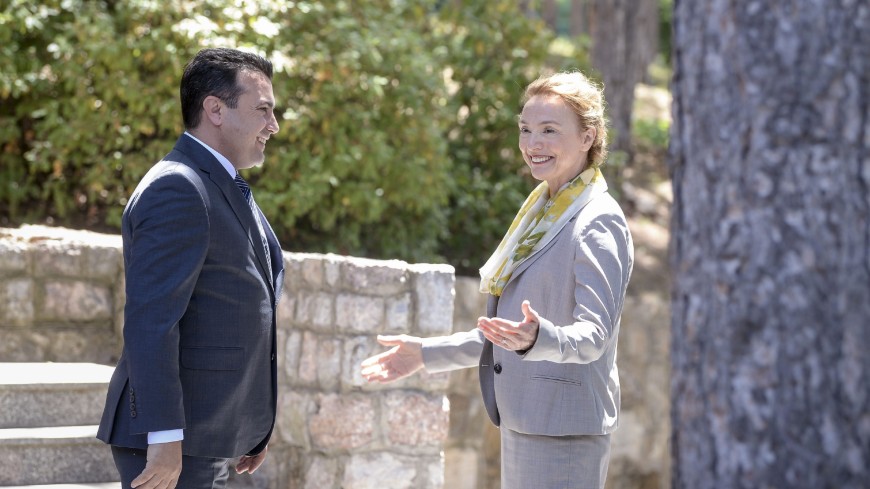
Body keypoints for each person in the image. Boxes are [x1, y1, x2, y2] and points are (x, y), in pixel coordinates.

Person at [361, 71, 633, 489]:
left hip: (564, 432)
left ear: (587, 137)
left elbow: (594, 335)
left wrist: (536, 337)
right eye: (525, 129)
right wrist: (425, 354)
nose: (532, 144)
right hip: (526, 420)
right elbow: (508, 335)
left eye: (548, 130)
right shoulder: (543, 213)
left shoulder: (597, 221)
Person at [97, 47, 284, 488]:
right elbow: (152, 322)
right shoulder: (178, 188)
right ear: (215, 110)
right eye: (263, 110)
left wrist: (252, 426)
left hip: (212, 436)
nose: (273, 126)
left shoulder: (222, 183)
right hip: (175, 445)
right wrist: (164, 438)